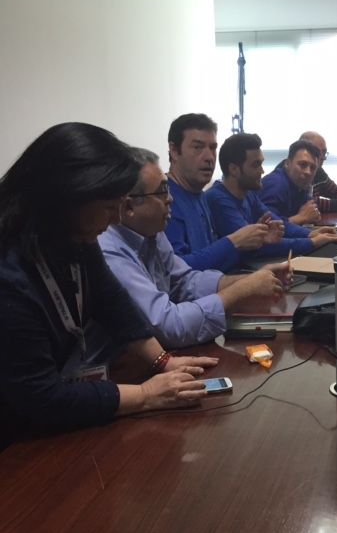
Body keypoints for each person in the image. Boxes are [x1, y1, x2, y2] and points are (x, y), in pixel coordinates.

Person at [0, 123, 217, 449]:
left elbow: (111, 299)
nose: (116, 218)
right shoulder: (8, 273)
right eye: (108, 206)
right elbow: (39, 395)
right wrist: (145, 395)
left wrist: (163, 362)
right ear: (70, 197)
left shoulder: (73, 233)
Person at [96, 149, 290, 355]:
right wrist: (243, 290)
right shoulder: (109, 252)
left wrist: (252, 280)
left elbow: (184, 281)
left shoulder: (152, 230)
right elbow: (168, 326)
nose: (170, 199)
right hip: (117, 365)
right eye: (162, 192)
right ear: (129, 207)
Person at [165, 113, 281, 272]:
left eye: (212, 148)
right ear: (173, 150)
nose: (209, 157)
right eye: (198, 147)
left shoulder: (198, 195)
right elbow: (175, 272)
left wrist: (253, 242)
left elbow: (213, 262)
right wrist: (233, 242)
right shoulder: (162, 200)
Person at [205, 134, 337, 258]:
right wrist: (311, 242)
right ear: (234, 169)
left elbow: (278, 224)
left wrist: (310, 234)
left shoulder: (248, 195)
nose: (262, 171)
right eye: (256, 165)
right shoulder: (219, 200)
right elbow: (254, 246)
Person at [275, 131, 337, 212]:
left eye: (325, 153)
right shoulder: (281, 178)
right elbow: (308, 203)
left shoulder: (317, 170)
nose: (324, 157)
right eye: (320, 153)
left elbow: (336, 191)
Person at [259, 139, 323, 224]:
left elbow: (311, 206)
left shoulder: (298, 185)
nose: (308, 172)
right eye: (302, 164)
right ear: (287, 163)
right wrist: (301, 218)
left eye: (313, 168)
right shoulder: (275, 185)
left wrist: (313, 212)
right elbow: (267, 225)